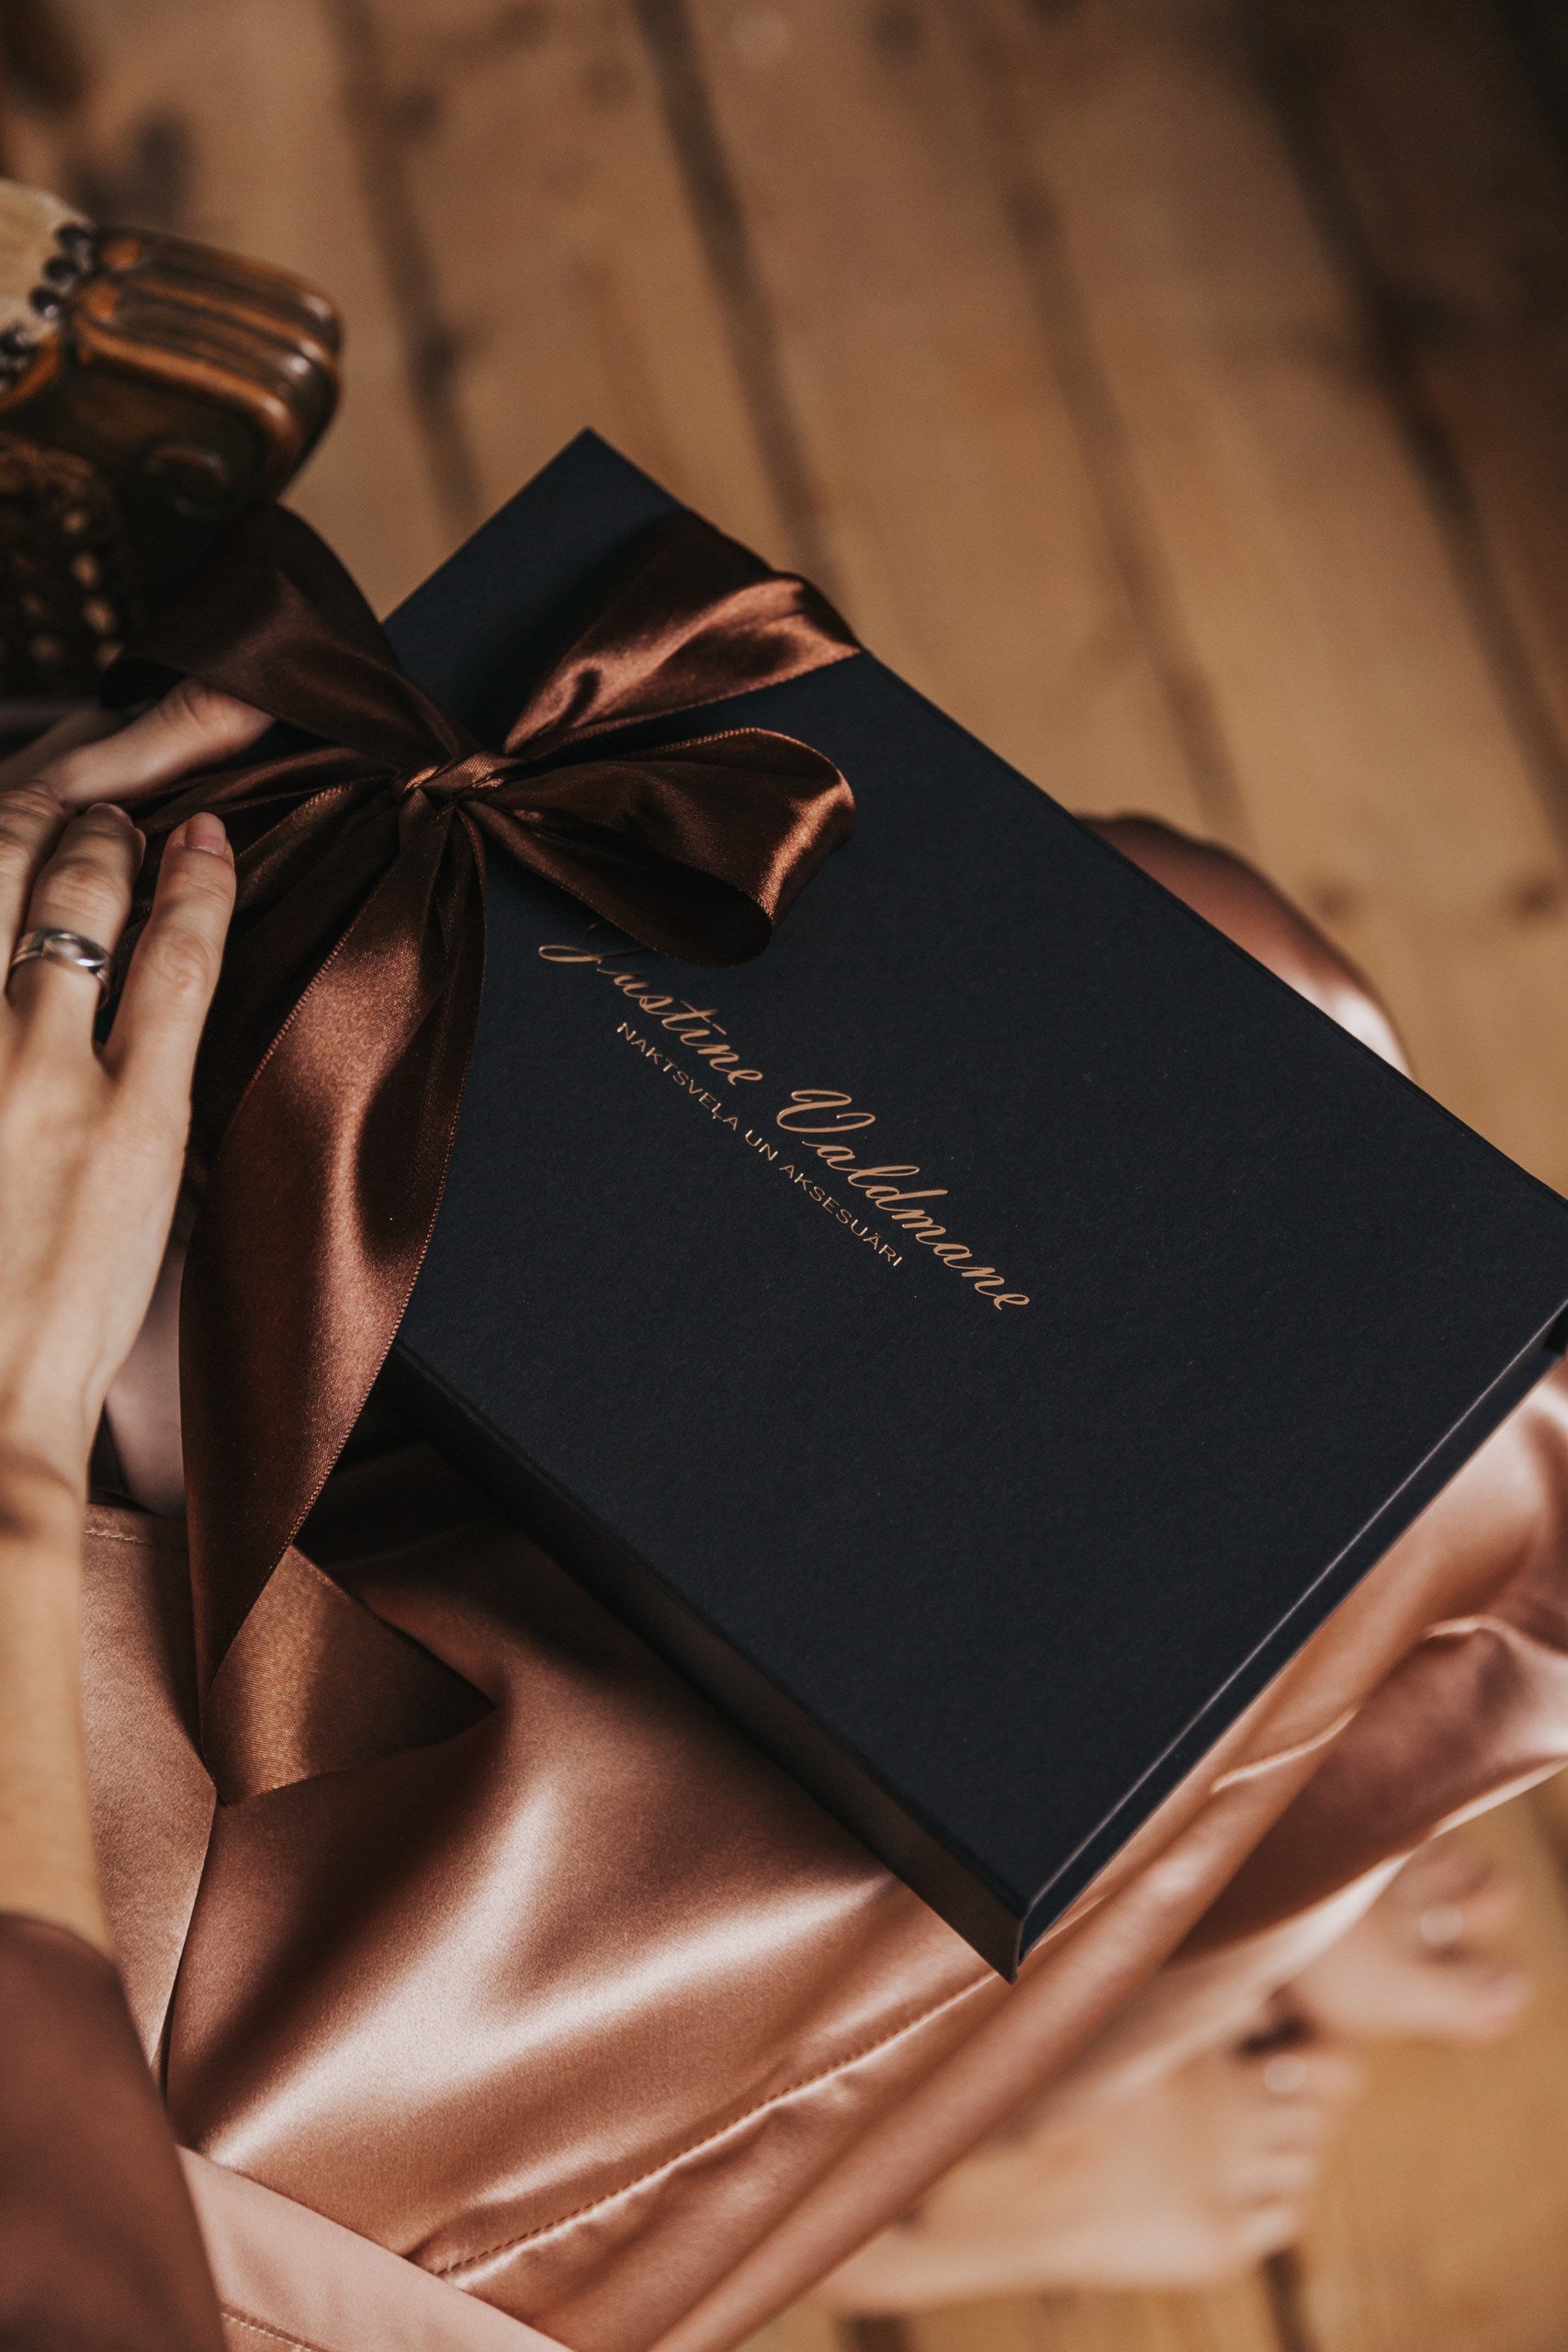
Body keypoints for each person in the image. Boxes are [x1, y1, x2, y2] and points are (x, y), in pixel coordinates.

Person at [1, 677, 1564, 2350]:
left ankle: (1192, 1894)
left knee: (1211, 978)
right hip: (144, 2123)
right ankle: (1034, 2089)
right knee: (1461, 1457)